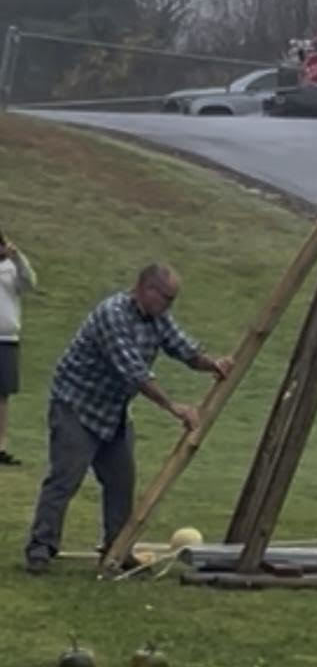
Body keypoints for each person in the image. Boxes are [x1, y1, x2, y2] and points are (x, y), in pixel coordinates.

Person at [24, 263, 233, 575]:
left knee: (121, 482)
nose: (170, 306)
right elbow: (134, 372)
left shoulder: (157, 317)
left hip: (113, 411)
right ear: (147, 290)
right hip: (76, 405)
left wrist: (213, 364)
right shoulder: (113, 315)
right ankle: (41, 548)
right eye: (167, 298)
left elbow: (184, 349)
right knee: (65, 479)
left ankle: (116, 550)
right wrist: (174, 407)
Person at [0, 229, 37, 466]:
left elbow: (29, 283)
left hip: (6, 339)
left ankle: (0, 447)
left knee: (2, 397)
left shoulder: (12, 269)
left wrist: (17, 257)